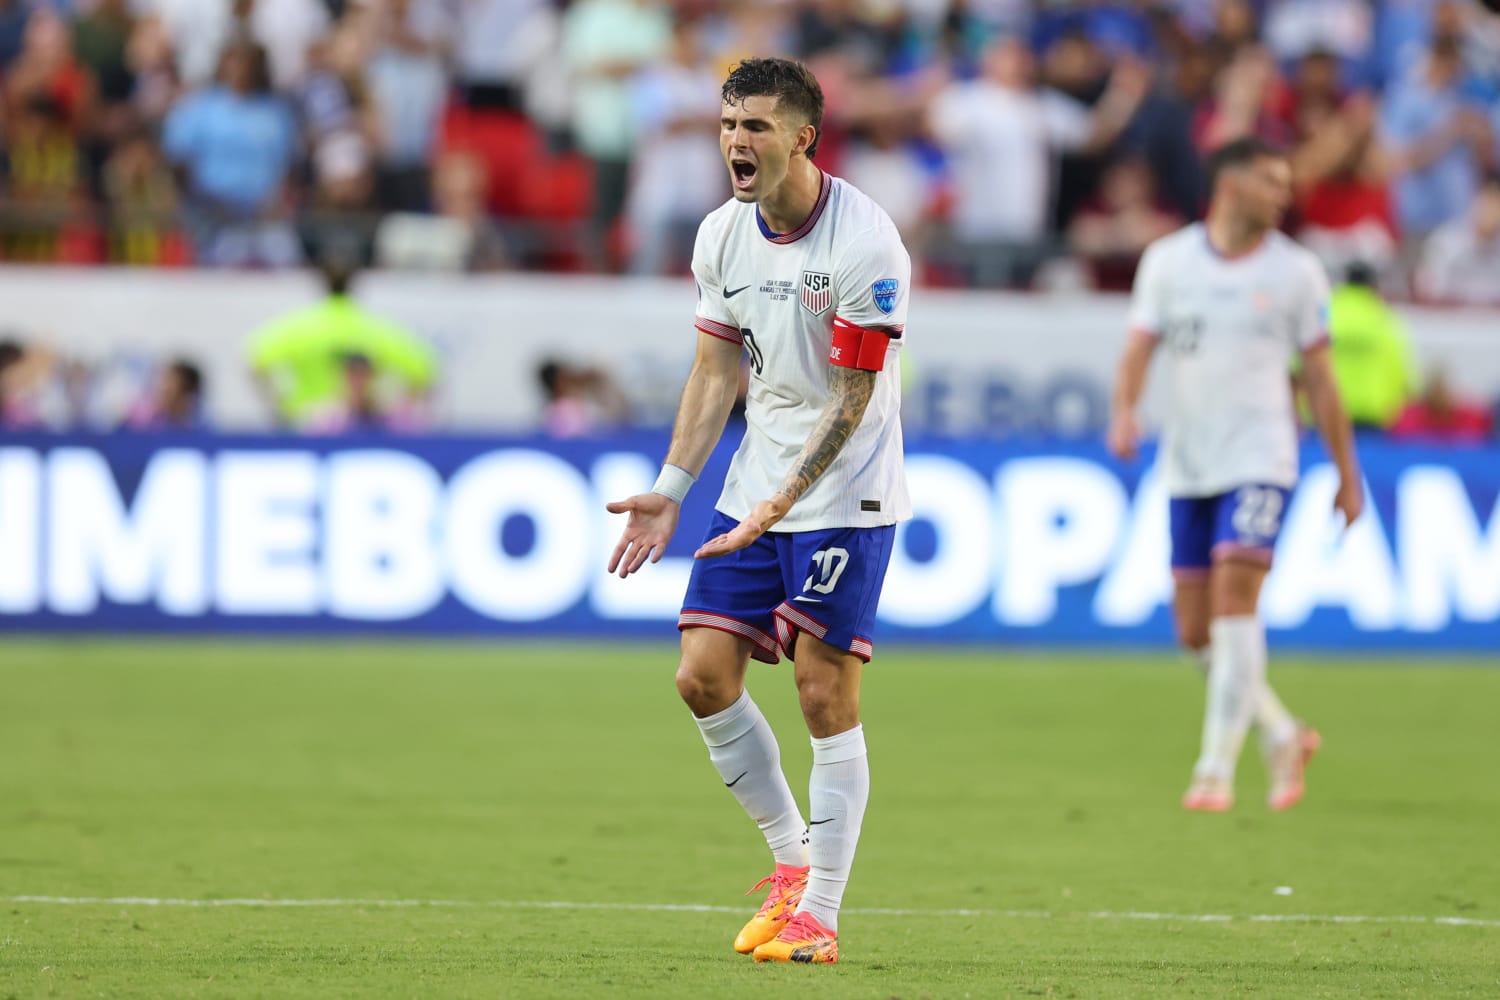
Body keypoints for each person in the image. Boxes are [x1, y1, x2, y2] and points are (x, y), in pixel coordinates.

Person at [606, 57, 911, 964]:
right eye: (729, 122)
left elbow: (854, 396)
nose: (737, 140)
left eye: (757, 126)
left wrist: (784, 498)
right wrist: (671, 488)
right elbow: (715, 371)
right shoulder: (720, 236)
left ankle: (821, 912)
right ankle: (789, 861)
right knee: (701, 676)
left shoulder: (865, 242)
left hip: (846, 490)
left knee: (823, 692)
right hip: (754, 482)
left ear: (802, 138)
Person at [1108, 136, 1363, 813]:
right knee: (1194, 631)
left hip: (1262, 458)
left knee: (1234, 606)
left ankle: (1214, 769)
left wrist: (1347, 471)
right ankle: (1282, 732)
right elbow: (1138, 348)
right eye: (1273, 182)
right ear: (1232, 184)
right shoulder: (1168, 261)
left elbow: (1321, 380)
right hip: (1190, 461)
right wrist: (1125, 412)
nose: (1285, 194)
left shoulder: (1298, 272)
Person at [247, 259, 438, 430]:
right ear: (353, 285)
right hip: (359, 426)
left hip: (306, 425)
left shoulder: (299, 327)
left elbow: (256, 361)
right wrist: (398, 408)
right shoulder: (373, 328)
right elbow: (425, 370)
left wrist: (283, 407)